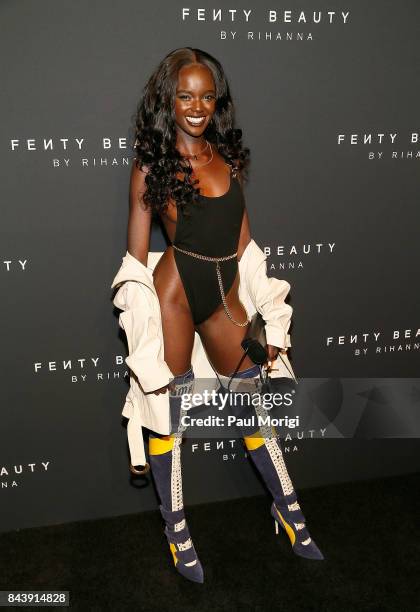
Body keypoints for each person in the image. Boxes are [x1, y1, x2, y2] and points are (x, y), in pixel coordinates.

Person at [126, 47, 324, 583]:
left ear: (218, 101)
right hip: (174, 291)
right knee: (168, 416)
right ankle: (176, 529)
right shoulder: (152, 162)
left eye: (207, 96)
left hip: (224, 292)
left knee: (253, 406)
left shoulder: (229, 157)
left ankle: (287, 510)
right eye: (186, 95)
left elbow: (246, 248)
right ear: (169, 98)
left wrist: (267, 316)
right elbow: (135, 259)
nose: (197, 106)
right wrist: (140, 327)